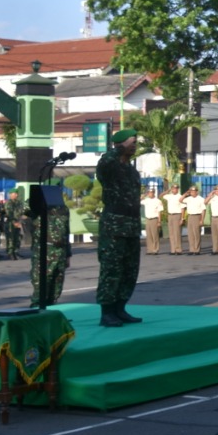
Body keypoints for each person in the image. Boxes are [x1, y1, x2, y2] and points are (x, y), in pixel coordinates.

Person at [96, 129, 144, 327]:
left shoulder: (131, 171)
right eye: (131, 142)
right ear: (120, 144)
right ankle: (107, 312)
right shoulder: (109, 166)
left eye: (134, 143)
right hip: (114, 225)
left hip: (131, 224)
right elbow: (105, 162)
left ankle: (120, 308)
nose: (134, 146)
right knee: (111, 268)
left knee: (129, 269)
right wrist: (117, 149)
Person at [30, 205, 70, 308]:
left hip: (61, 251)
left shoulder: (63, 208)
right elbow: (24, 209)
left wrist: (68, 254)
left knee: (57, 283)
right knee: (41, 283)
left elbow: (66, 231)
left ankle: (51, 308)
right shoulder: (39, 206)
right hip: (44, 250)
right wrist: (38, 198)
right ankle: (37, 309)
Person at [183, 186, 207, 255]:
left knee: (196, 234)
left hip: (197, 216)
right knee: (190, 234)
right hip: (190, 216)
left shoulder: (201, 199)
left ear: (197, 192)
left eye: (194, 191)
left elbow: (203, 210)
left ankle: (197, 250)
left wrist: (202, 220)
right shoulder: (188, 199)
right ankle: (191, 249)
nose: (192, 193)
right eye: (191, 192)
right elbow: (180, 200)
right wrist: (186, 194)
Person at [4, 187, 26, 260]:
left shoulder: (19, 202)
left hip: (18, 222)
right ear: (10, 195)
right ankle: (10, 253)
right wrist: (14, 222)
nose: (16, 195)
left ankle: (16, 251)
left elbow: (21, 212)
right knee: (11, 238)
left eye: (16, 194)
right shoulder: (8, 203)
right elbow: (9, 214)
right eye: (14, 194)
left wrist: (22, 218)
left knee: (18, 237)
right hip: (11, 223)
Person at [162, 184, 184, 255]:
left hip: (177, 215)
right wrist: (168, 190)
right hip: (170, 215)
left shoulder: (180, 197)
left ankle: (178, 250)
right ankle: (173, 250)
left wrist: (182, 218)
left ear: (178, 189)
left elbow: (182, 208)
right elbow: (161, 196)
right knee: (171, 234)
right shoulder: (169, 196)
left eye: (176, 188)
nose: (175, 190)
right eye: (173, 188)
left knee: (177, 233)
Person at [142, 187, 163, 254]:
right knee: (149, 235)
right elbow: (138, 200)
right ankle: (149, 249)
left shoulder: (157, 201)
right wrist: (144, 195)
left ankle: (155, 249)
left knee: (155, 235)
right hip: (148, 219)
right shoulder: (146, 200)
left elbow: (159, 212)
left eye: (151, 192)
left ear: (154, 193)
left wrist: (159, 221)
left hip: (154, 219)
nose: (150, 194)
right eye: (149, 193)